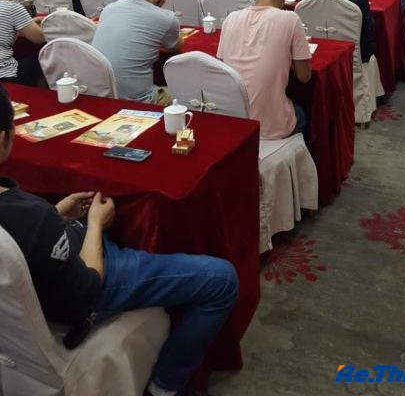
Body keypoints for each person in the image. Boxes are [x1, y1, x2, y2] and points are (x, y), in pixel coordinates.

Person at [0, 85, 238, 396]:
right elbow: (86, 288)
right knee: (222, 280)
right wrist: (95, 224)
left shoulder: (31, 218)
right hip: (85, 285)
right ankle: (165, 386)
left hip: (52, 257)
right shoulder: (32, 220)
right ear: (4, 139)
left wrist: (57, 215)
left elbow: (20, 235)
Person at [218, 0, 311, 139]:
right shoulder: (290, 19)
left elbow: (222, 68)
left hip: (233, 118)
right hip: (271, 126)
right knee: (302, 111)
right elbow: (304, 76)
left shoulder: (231, 18)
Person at [93, 0, 183, 102]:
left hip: (101, 95)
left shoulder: (108, 9)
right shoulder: (166, 18)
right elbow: (175, 45)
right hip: (139, 101)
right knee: (183, 95)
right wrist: (159, 10)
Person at [0, 0, 45, 84]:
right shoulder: (13, 7)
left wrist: (27, 22)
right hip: (4, 74)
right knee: (37, 60)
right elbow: (39, 37)